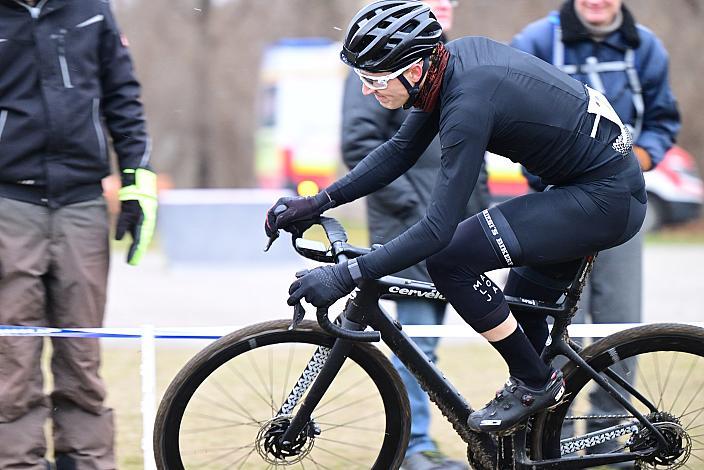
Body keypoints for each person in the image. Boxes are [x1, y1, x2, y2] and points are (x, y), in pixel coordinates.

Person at [265, 0, 646, 434]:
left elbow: (436, 230)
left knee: (451, 259)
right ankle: (537, 440)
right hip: (585, 188)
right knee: (524, 317)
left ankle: (535, 384)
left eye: (374, 80)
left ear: (413, 70)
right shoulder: (447, 66)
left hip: (603, 198)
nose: (368, 91)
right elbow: (399, 151)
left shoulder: (468, 102)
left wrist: (347, 274)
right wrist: (317, 203)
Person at [510, 0, 680, 457]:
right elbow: (512, 118)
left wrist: (638, 160)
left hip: (623, 204)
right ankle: (548, 441)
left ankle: (613, 439)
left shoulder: (645, 47)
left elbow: (663, 120)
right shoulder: (536, 43)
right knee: (547, 328)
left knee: (619, 324)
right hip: (555, 206)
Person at [0, 1, 156, 468]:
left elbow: (123, 96)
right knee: (13, 359)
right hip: (9, 202)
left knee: (81, 358)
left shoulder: (91, 9)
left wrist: (136, 183)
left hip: (82, 202)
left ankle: (87, 463)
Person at [341, 1, 485, 466]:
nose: (442, 8)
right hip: (414, 227)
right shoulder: (381, 66)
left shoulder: (455, 70)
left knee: (429, 344)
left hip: (455, 227)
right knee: (415, 343)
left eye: (448, 2)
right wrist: (416, 207)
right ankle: (414, 445)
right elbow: (360, 141)